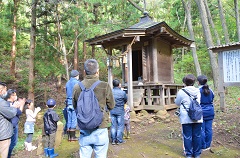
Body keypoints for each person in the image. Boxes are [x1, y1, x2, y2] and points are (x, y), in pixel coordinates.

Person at [72, 59, 115, 158]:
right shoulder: (105, 86)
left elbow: (75, 106)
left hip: (84, 128)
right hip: (101, 128)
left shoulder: (77, 87)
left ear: (84, 71)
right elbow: (112, 105)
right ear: (97, 71)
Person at [175, 74, 202, 158]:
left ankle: (189, 154)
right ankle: (197, 154)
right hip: (197, 116)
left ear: (184, 82)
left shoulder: (181, 91)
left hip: (186, 117)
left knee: (187, 136)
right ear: (194, 82)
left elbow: (177, 103)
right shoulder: (198, 91)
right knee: (197, 135)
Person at [5, 89, 25, 158]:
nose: (16, 96)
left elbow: (19, 113)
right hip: (11, 126)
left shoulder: (12, 104)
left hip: (14, 125)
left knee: (13, 143)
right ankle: (7, 155)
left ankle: (8, 155)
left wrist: (20, 105)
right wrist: (21, 105)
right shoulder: (7, 104)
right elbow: (18, 112)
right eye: (14, 95)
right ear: (11, 96)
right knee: (11, 143)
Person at [197, 75, 215, 151]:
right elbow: (212, 98)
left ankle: (203, 146)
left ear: (198, 82)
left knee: (201, 129)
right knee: (209, 129)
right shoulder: (210, 90)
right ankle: (208, 145)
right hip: (210, 111)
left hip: (201, 112)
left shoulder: (197, 90)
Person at [0, 82, 17, 158]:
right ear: (1, 90)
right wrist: (15, 107)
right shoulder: (2, 103)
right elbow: (11, 114)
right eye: (5, 90)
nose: (5, 92)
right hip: (3, 135)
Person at [110, 79, 128, 145]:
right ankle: (119, 140)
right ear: (119, 85)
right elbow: (125, 100)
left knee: (113, 125)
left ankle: (113, 140)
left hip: (112, 110)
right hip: (120, 110)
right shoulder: (122, 92)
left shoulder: (110, 92)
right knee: (120, 125)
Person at [64, 70, 80, 141]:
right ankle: (73, 137)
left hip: (68, 103)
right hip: (74, 103)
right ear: (77, 75)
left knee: (69, 120)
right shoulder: (77, 83)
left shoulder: (67, 83)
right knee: (74, 119)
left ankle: (69, 137)